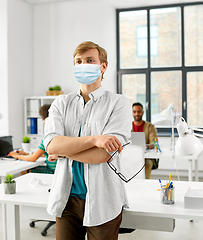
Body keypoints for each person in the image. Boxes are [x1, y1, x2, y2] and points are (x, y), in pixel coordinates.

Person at [43, 41, 132, 240]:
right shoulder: (60, 103)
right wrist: (95, 139)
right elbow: (51, 145)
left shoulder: (119, 104)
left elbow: (102, 155)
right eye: (78, 61)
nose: (83, 65)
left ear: (103, 66)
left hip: (103, 200)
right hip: (65, 199)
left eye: (90, 60)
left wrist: (63, 150)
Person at [8, 104, 56, 174]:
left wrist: (17, 156)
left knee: (24, 170)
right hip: (58, 171)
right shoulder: (58, 135)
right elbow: (46, 154)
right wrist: (27, 153)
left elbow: (33, 159)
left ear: (45, 121)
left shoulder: (47, 138)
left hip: (52, 171)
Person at [132, 102, 159, 179]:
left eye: (139, 111)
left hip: (146, 157)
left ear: (143, 112)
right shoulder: (128, 127)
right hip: (131, 155)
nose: (137, 114)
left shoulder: (150, 127)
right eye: (134, 112)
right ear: (132, 113)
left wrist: (145, 146)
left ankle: (145, 183)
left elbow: (154, 143)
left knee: (148, 163)